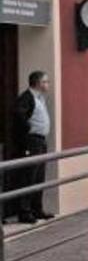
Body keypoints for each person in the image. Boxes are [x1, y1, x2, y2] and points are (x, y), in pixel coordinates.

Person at [8, 71, 55, 224]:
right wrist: (27, 129)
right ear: (37, 83)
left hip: (41, 141)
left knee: (39, 176)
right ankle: (25, 212)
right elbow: (17, 113)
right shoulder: (27, 97)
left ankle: (37, 209)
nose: (48, 84)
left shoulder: (40, 98)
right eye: (45, 81)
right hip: (32, 141)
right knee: (29, 176)